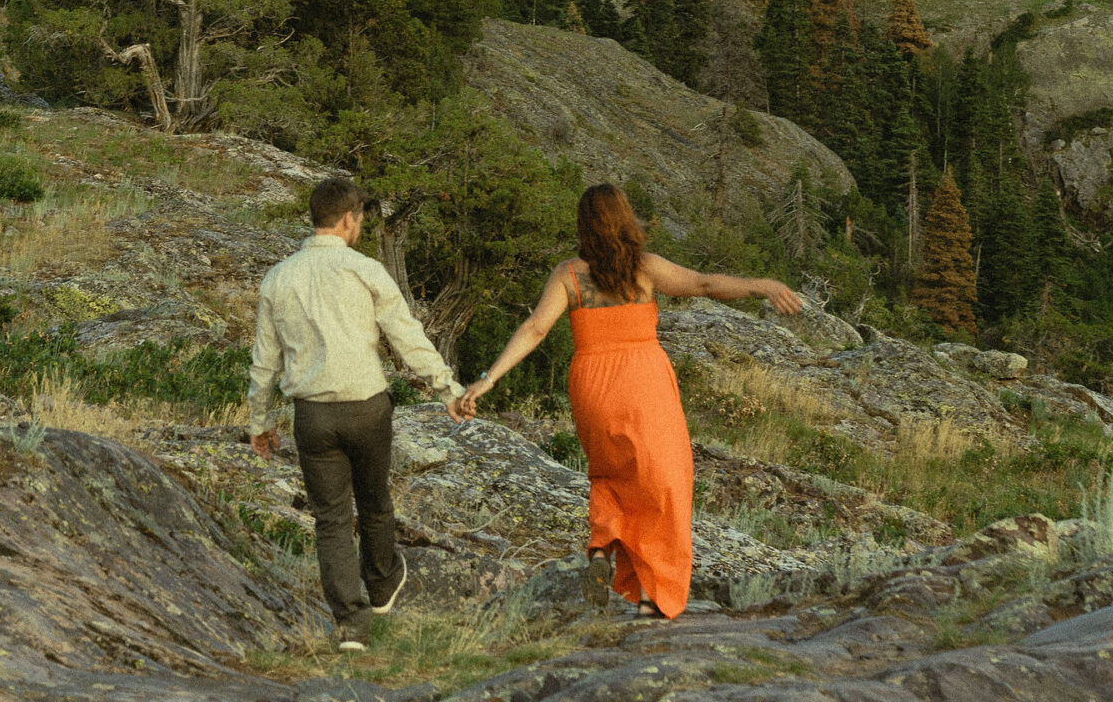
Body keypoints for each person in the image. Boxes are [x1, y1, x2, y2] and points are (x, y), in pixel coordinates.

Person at [449, 183, 804, 620]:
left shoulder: (569, 276)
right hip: (642, 379)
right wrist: (760, 285)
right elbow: (705, 284)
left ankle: (602, 546)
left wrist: (486, 380)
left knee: (610, 471)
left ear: (583, 226)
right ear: (625, 219)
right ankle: (654, 597)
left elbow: (536, 329)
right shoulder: (645, 268)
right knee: (665, 481)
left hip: (592, 384)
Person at [250, 173, 462, 652]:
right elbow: (406, 334)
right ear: (349, 219)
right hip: (368, 408)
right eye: (361, 218)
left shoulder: (279, 277)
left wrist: (259, 423)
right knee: (374, 503)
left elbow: (265, 360)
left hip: (314, 417)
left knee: (330, 521)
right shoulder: (366, 270)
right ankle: (383, 584)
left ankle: (350, 626)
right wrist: (447, 387)